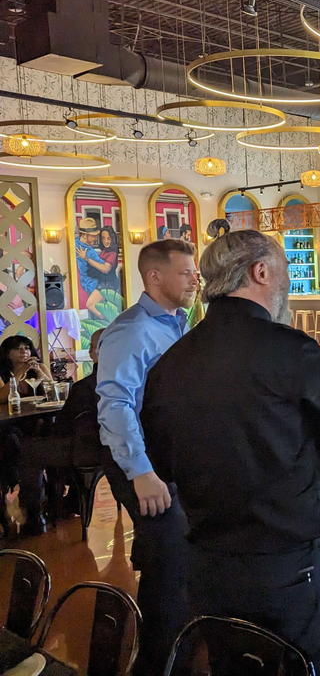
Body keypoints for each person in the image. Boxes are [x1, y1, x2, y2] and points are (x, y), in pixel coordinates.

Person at [141, 229, 320, 676]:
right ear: (260, 271)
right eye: (284, 272)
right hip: (294, 569)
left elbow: (163, 462)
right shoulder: (290, 350)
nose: (288, 284)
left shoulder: (170, 363)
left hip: (209, 567)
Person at [96, 238, 200, 676]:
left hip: (174, 461)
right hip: (146, 465)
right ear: (154, 277)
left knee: (181, 561)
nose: (196, 279)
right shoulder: (133, 329)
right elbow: (115, 405)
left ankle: (186, 653)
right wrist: (141, 471)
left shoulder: (178, 324)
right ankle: (158, 663)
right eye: (186, 272)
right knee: (170, 571)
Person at [17, 329, 105, 536]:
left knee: (29, 450)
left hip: (86, 450)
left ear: (94, 352)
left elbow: (63, 428)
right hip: (116, 448)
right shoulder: (131, 379)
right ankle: (66, 501)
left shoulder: (84, 387)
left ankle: (34, 516)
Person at [0, 335, 54, 535]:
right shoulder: (3, 374)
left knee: (46, 432)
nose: (24, 352)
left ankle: (49, 499)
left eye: (27, 348)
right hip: (11, 426)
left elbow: (53, 392)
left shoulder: (38, 368)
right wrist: (19, 373)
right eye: (18, 349)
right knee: (19, 445)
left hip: (38, 423)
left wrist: (41, 373)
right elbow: (2, 397)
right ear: (7, 354)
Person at [75, 218, 113, 319]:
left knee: (93, 310)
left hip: (95, 286)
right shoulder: (89, 251)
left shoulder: (75, 244)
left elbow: (106, 269)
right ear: (84, 234)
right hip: (92, 285)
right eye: (93, 236)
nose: (95, 238)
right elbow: (105, 268)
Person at [95, 226, 121, 293]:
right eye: (103, 238)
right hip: (102, 283)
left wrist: (88, 259)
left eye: (108, 239)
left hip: (109, 284)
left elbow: (105, 269)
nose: (105, 241)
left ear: (112, 239)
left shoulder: (113, 253)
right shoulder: (104, 251)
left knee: (91, 303)